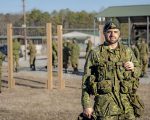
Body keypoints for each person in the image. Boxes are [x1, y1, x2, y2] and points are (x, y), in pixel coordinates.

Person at [81, 19, 142, 120]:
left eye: (115, 31)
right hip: (105, 109)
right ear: (104, 33)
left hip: (127, 107)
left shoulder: (127, 51)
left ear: (119, 34)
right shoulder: (95, 53)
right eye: (109, 31)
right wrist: (86, 105)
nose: (112, 34)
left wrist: (133, 68)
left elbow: (138, 71)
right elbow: (86, 80)